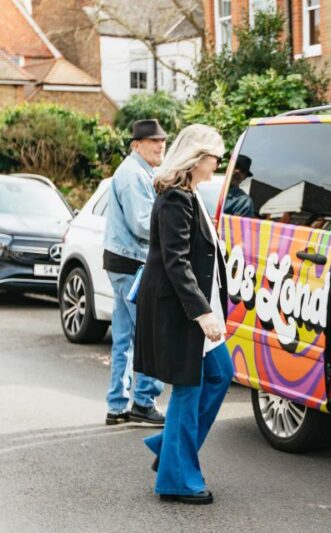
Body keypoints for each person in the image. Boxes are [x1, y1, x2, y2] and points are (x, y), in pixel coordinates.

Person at [133, 124, 233, 505]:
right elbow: (175, 262)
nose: (217, 164)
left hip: (196, 309)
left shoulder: (191, 194)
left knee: (220, 374)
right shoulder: (175, 197)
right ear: (196, 157)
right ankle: (176, 479)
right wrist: (203, 313)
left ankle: (169, 444)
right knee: (189, 388)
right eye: (214, 157)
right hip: (181, 312)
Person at [102, 119, 166, 426]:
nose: (160, 145)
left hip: (122, 261)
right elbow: (142, 224)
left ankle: (117, 405)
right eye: (153, 141)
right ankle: (143, 401)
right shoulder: (133, 175)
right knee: (150, 336)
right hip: (132, 263)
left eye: (162, 140)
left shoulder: (139, 172)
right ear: (136, 145)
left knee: (125, 337)